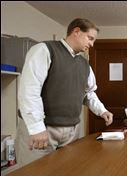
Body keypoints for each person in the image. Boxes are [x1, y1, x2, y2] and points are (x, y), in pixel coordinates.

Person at [16, 18, 113, 167]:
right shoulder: (44, 50)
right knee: (35, 171)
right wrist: (36, 128)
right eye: (90, 38)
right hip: (43, 129)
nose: (92, 44)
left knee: (67, 170)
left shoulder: (84, 65)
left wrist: (102, 111)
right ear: (76, 31)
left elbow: (89, 93)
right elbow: (29, 90)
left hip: (72, 132)